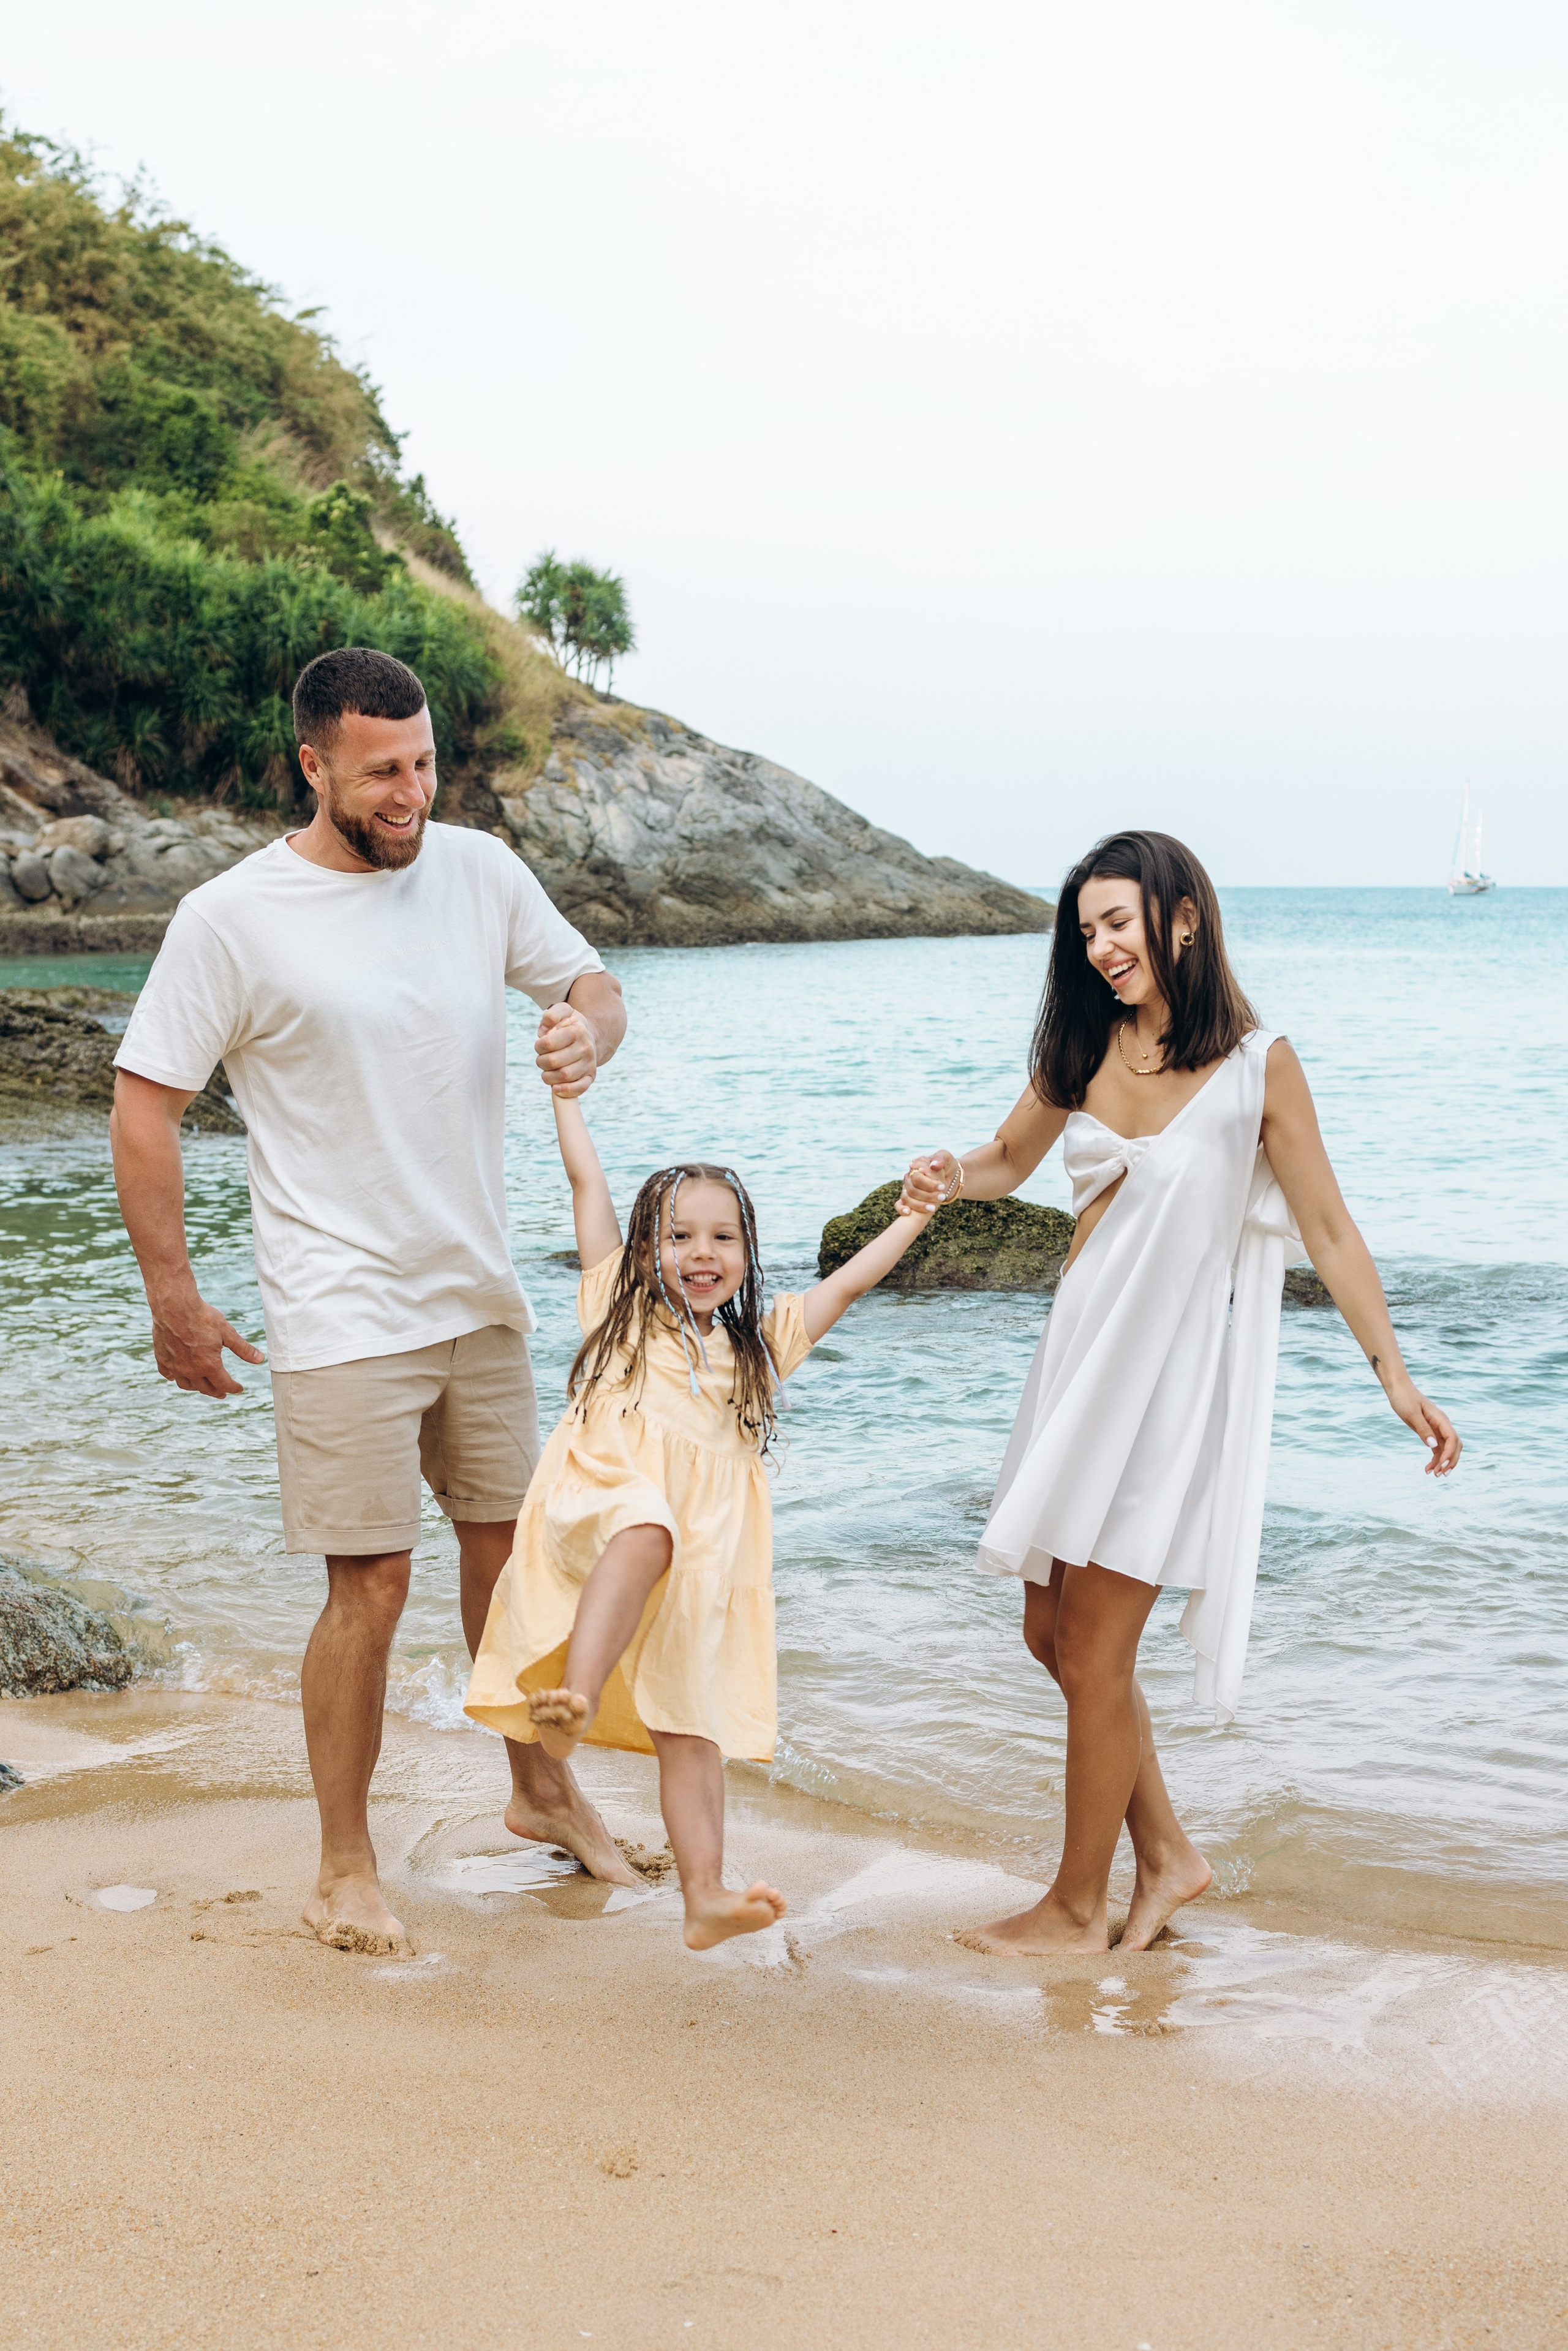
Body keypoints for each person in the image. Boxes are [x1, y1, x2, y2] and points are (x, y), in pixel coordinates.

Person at [109, 645, 632, 1956]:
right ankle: (342, 1863)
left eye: (425, 763)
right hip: (338, 1302)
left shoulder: (478, 872)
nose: (412, 791)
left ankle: (538, 1790)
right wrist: (174, 1296)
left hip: (478, 1287)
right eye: (383, 771)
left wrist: (586, 1025)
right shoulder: (232, 918)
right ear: (314, 765)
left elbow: (591, 982)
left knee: (512, 1560)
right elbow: (144, 1105)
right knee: (373, 1581)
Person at [899, 829, 1461, 1957]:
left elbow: (1331, 1231)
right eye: (1089, 928)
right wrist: (947, 1173)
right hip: (1077, 1367)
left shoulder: (1261, 1066)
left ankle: (1073, 1906)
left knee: (1095, 1648)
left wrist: (1392, 1373)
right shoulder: (1083, 1042)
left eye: (1121, 921)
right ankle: (1168, 1858)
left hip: (1167, 1392)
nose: (1104, 946)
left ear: (1184, 917)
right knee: (1048, 1629)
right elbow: (1010, 1159)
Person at [465, 1092, 937, 1949]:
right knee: (647, 1523)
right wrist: (568, 1097)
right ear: (646, 1251)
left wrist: (913, 1215)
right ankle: (573, 1694)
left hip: (700, 1565)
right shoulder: (618, 1313)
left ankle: (705, 1892)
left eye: (723, 1237)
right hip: (602, 1503)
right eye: (679, 1235)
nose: (701, 1252)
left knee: (695, 1731)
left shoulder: (761, 1346)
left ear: (749, 1252)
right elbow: (586, 1180)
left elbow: (853, 1280)